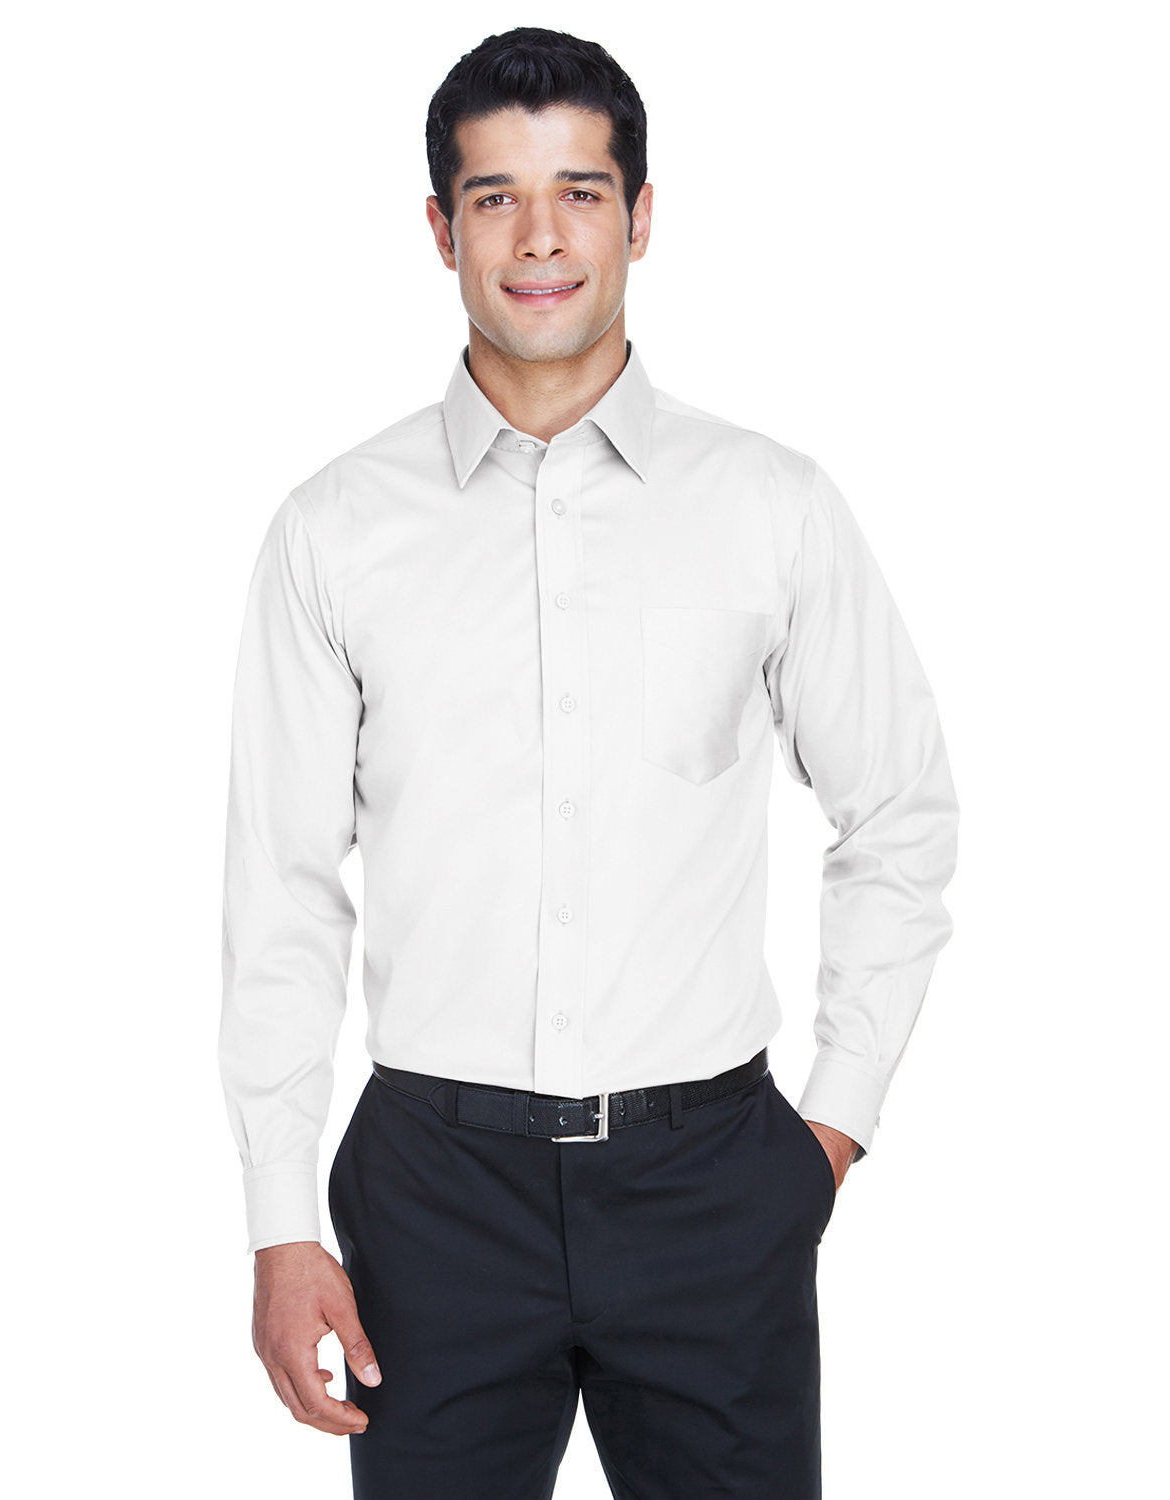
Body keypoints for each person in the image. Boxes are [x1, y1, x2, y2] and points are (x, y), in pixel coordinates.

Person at [218, 25, 959, 1500]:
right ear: (442, 231)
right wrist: (280, 1221)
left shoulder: (772, 508)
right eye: (495, 197)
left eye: (580, 191)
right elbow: (283, 891)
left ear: (642, 214)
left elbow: (900, 816)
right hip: (433, 1196)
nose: (541, 237)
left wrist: (829, 1132)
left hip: (713, 1182)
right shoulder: (335, 531)